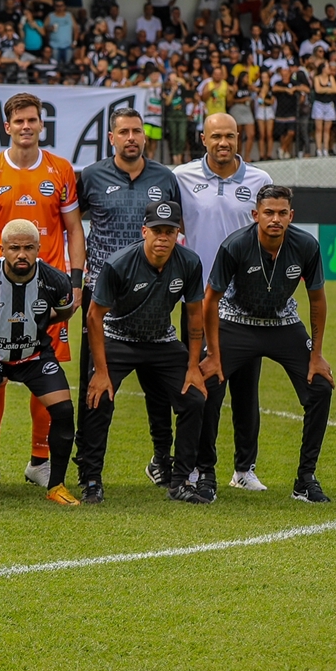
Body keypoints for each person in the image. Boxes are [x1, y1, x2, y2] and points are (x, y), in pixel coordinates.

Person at [0, 92, 85, 488]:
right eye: (18, 121)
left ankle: (40, 460)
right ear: (7, 126)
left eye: (32, 120)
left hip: (47, 296)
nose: (25, 127)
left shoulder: (61, 170)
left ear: (40, 124)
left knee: (45, 374)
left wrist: (76, 281)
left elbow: (73, 229)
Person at [74, 107, 183, 493]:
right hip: (104, 296)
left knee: (158, 388)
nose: (132, 137)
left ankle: (163, 462)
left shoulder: (165, 178)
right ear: (112, 138)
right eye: (124, 132)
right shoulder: (91, 177)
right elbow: (72, 222)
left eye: (137, 131)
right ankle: (88, 471)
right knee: (95, 385)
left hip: (153, 294)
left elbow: (173, 230)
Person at [202, 185, 334, 502]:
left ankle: (305, 480)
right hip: (235, 323)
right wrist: (213, 354)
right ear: (255, 215)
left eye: (282, 213)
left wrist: (316, 355)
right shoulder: (235, 245)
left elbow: (317, 300)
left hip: (282, 325)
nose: (275, 219)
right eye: (268, 212)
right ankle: (205, 473)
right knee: (207, 384)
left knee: (320, 387)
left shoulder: (305, 245)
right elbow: (210, 301)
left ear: (291, 215)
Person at [78, 201, 207, 504]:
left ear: (179, 234)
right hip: (118, 337)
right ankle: (92, 479)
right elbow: (94, 316)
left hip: (162, 340)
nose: (163, 238)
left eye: (170, 231)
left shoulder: (189, 262)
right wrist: (101, 371)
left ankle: (180, 481)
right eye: (157, 231)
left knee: (194, 398)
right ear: (144, 231)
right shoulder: (119, 263)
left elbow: (195, 316)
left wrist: (192, 365)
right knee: (99, 398)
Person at [172, 113, 272, 492]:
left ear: (239, 137)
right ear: (203, 138)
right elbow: (177, 226)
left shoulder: (260, 180)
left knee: (246, 390)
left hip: (246, 303)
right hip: (198, 301)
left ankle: (244, 468)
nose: (224, 143)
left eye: (230, 136)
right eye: (216, 136)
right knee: (202, 388)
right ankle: (198, 465)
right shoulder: (182, 177)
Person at [0, 219, 78, 505]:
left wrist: (40, 325)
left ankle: (56, 485)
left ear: (38, 248)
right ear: (2, 248)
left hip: (35, 356)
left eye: (29, 248)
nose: (22, 254)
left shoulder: (55, 279)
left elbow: (65, 311)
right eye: (15, 248)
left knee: (64, 412)